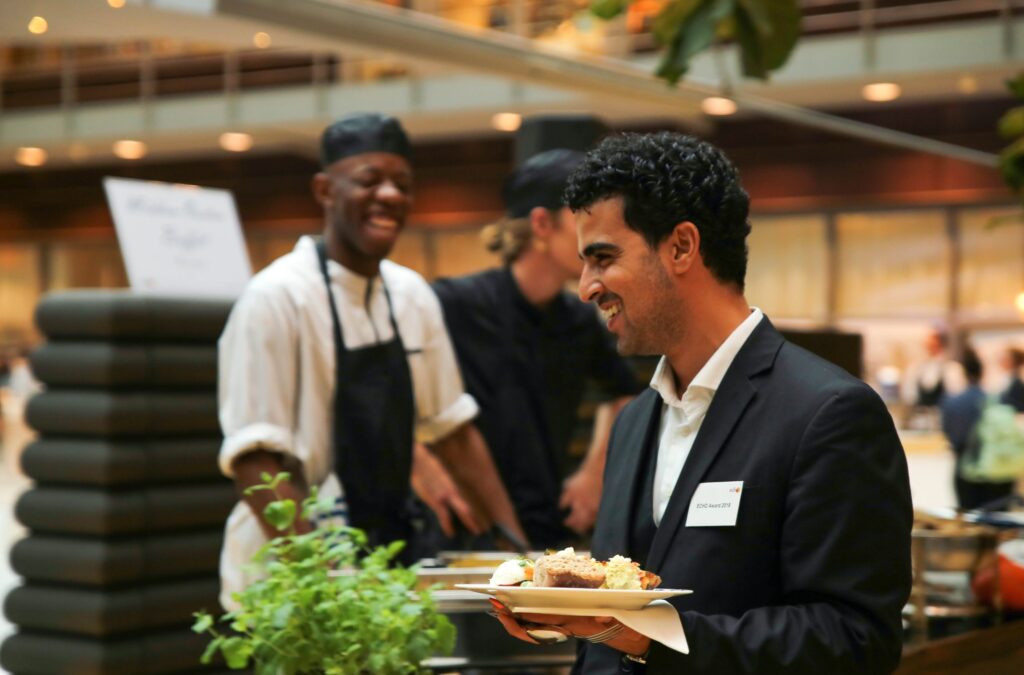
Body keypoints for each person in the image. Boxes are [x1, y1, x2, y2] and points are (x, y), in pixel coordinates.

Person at [491, 132, 913, 673]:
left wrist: (652, 639)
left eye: (603, 258)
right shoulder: (634, 422)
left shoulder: (828, 414)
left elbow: (855, 641)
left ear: (682, 247)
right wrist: (560, 619)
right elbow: (610, 622)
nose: (586, 288)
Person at [217, 112, 526, 608]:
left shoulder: (411, 295)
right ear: (324, 190)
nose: (390, 195)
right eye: (369, 180)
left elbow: (452, 432)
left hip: (389, 570)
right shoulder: (276, 297)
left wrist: (520, 556)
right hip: (290, 586)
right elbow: (255, 463)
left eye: (402, 184)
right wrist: (326, 589)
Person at [433, 149, 639, 548]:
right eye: (583, 217)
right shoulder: (454, 303)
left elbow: (624, 393)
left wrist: (593, 475)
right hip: (462, 527)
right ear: (542, 224)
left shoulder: (578, 318)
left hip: (546, 519)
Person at [942, 347, 1014, 509]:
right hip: (997, 469)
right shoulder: (997, 399)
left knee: (969, 517)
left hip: (965, 469)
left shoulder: (953, 402)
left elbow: (950, 435)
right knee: (997, 518)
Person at [901, 328, 964, 410]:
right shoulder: (916, 369)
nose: (928, 346)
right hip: (920, 415)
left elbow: (956, 399)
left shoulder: (952, 369)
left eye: (932, 343)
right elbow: (909, 397)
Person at [998, 346, 1024, 414]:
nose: (1000, 361)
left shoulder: (1020, 382)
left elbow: (1022, 407)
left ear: (1013, 361)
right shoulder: (1008, 379)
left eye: (1005, 359)